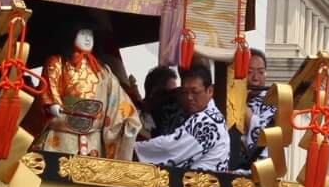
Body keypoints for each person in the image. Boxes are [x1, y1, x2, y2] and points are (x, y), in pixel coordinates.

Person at [42, 27, 141, 158]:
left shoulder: (103, 70)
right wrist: (53, 105)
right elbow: (49, 90)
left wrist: (128, 121)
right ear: (71, 35)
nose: (88, 38)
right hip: (62, 135)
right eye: (82, 34)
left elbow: (117, 99)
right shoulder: (57, 62)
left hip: (94, 140)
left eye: (91, 35)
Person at [133, 65, 230, 171]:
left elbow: (170, 148)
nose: (189, 97)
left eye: (195, 92)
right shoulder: (209, 116)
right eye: (185, 92)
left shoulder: (208, 121)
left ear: (210, 90)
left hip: (202, 184)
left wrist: (131, 148)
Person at [229, 48, 271, 173]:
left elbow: (264, 135)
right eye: (250, 72)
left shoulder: (272, 101)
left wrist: (240, 103)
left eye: (261, 72)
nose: (255, 78)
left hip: (255, 169)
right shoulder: (227, 96)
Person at [140, 67, 184, 140]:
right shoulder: (134, 118)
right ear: (154, 93)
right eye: (169, 94)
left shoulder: (175, 115)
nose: (173, 100)